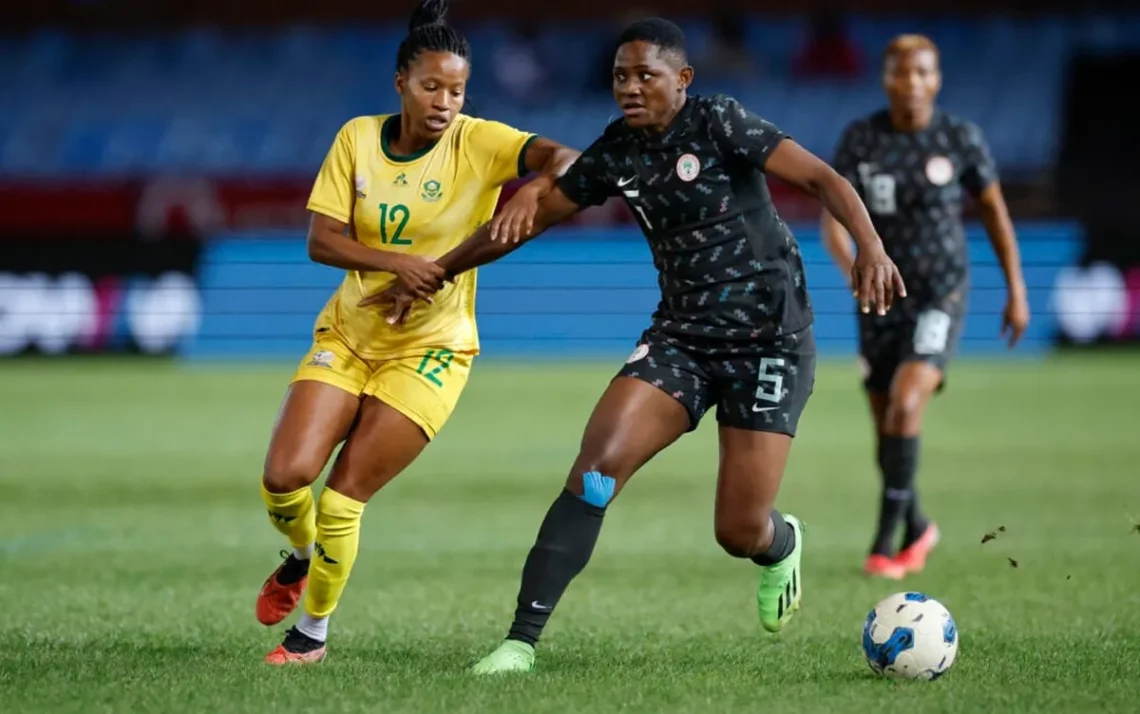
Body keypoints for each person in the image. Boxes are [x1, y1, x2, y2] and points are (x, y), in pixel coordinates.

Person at [367, 17, 904, 674]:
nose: (629, 86)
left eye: (645, 75)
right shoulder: (617, 150)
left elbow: (825, 180)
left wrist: (871, 249)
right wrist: (437, 272)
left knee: (738, 530)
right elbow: (531, 217)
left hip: (771, 345)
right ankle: (519, 643)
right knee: (595, 472)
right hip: (680, 340)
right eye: (620, 75)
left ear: (682, 80)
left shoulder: (720, 123)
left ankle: (781, 542)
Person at [254, 0, 578, 665]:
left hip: (432, 349)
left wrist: (529, 187)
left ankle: (311, 635)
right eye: (431, 86)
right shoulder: (356, 139)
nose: (445, 102)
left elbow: (568, 160)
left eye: (456, 89)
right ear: (401, 82)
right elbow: (322, 240)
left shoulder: (481, 141)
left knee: (345, 495)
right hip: (349, 333)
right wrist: (396, 262)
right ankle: (301, 554)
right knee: (285, 478)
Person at [820, 35, 1029, 580]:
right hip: (878, 300)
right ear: (886, 78)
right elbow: (831, 225)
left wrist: (1017, 290)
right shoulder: (862, 139)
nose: (910, 82)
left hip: (941, 292)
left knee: (906, 406)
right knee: (886, 429)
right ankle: (919, 526)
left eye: (921, 73)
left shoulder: (959, 138)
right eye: (900, 73)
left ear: (936, 79)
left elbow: (994, 213)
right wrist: (855, 276)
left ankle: (886, 546)